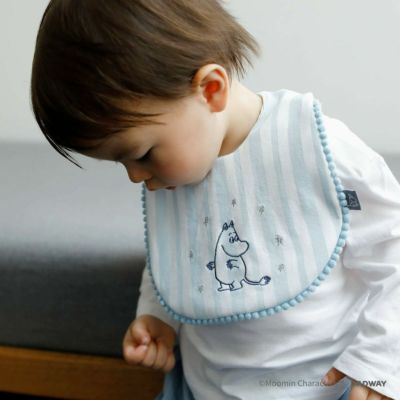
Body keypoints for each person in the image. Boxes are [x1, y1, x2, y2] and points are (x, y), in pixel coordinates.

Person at [30, 1, 399, 399]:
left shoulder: (315, 148)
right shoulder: (173, 174)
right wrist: (158, 314)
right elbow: (176, 251)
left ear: (211, 90)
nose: (136, 176)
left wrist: (379, 362)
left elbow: (392, 252)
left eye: (141, 154)